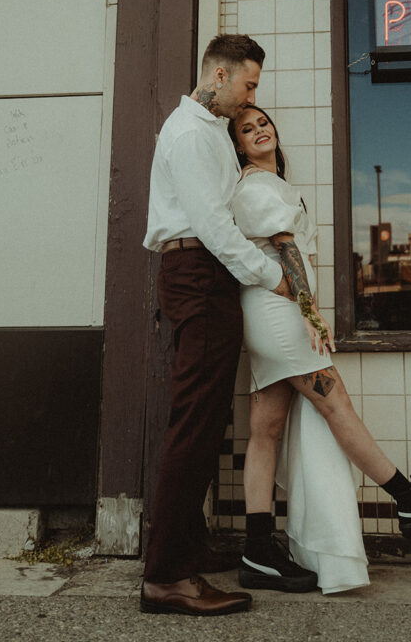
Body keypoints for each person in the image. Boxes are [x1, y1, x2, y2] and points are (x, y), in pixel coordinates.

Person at [229, 105, 411, 595]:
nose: (259, 131)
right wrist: (312, 314)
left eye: (263, 123)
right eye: (246, 129)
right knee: (335, 403)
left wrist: (308, 309)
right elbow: (288, 250)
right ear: (237, 146)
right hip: (281, 316)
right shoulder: (257, 186)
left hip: (274, 314)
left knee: (265, 428)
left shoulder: (272, 185)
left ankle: (257, 549)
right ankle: (409, 498)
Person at [140, 35, 295, 618]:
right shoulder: (188, 133)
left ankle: (180, 565)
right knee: (194, 428)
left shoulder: (206, 134)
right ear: (220, 73)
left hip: (206, 279)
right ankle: (166, 578)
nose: (251, 96)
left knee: (202, 428)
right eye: (248, 85)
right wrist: (269, 276)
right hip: (198, 275)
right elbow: (212, 225)